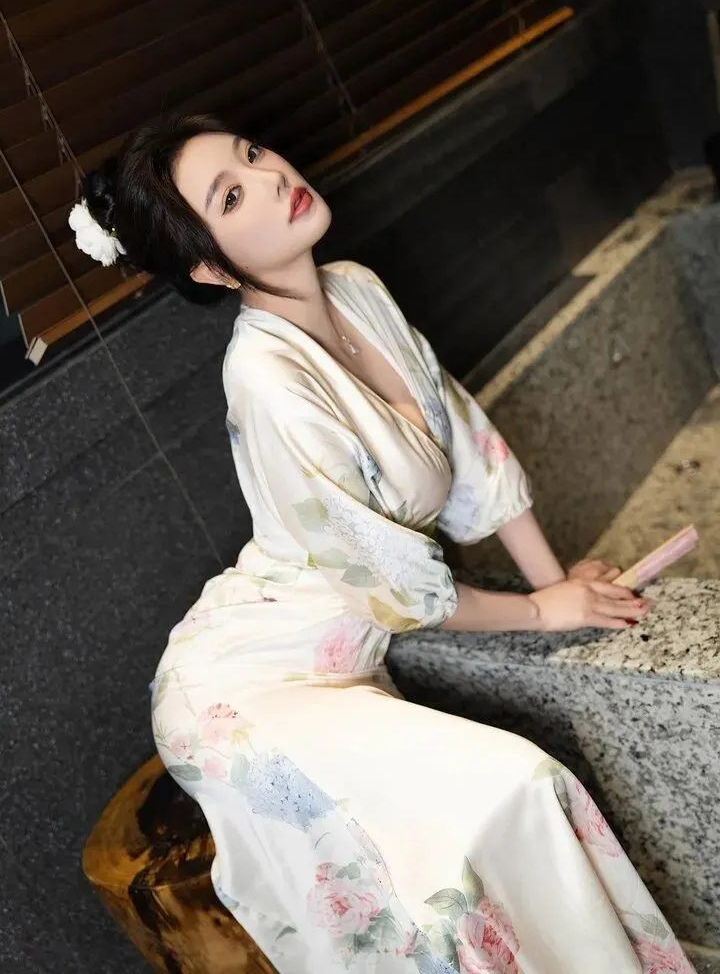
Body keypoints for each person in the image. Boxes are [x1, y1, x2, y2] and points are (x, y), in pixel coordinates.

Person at [71, 114, 694, 974]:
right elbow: (391, 587)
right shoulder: (264, 376)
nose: (271, 175)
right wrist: (543, 611)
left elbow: (467, 441)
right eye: (231, 195)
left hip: (342, 666)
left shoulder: (356, 288)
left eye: (252, 154)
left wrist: (559, 585)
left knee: (488, 833)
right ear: (210, 268)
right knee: (505, 798)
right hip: (242, 690)